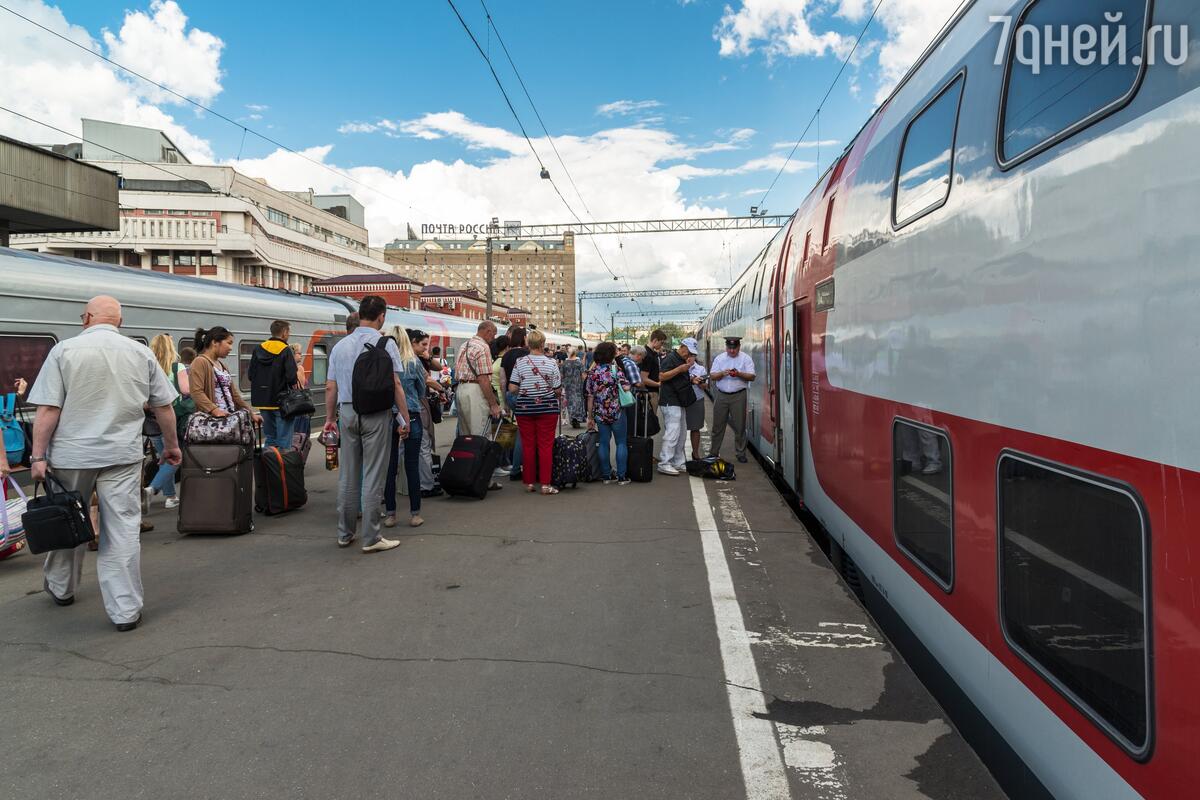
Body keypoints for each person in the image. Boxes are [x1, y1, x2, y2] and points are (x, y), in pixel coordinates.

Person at [27, 295, 181, 631]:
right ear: (119, 322)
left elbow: (48, 409)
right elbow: (163, 407)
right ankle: (124, 611)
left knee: (67, 518)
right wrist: (172, 446)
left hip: (72, 454)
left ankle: (61, 587)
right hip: (121, 454)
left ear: (86, 318)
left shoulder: (64, 351)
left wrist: (38, 456)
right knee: (122, 529)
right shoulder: (140, 353)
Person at [323, 295, 410, 553]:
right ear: (382, 316)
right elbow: (395, 385)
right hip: (377, 414)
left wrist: (329, 419)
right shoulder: (386, 344)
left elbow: (330, 387)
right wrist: (404, 418)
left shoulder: (340, 347)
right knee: (373, 475)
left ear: (360, 314)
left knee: (348, 476)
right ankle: (371, 538)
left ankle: (344, 533)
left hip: (347, 412)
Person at [507, 329, 563, 495]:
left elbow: (512, 387)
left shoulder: (520, 362)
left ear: (528, 343)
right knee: (546, 446)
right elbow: (558, 389)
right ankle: (545, 485)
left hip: (525, 409)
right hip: (547, 409)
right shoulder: (552, 363)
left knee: (528, 445)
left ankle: (529, 483)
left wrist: (526, 389)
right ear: (543, 344)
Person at [383, 327, 427, 529]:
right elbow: (422, 389)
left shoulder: (384, 362)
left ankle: (391, 514)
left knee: (390, 468)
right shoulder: (414, 363)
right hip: (412, 415)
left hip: (389, 417)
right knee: (412, 467)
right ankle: (415, 514)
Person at [143, 334, 188, 510]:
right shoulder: (177, 366)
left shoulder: (149, 366)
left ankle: (171, 497)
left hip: (153, 423)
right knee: (175, 458)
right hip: (172, 419)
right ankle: (152, 489)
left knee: (164, 459)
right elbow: (185, 389)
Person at [188, 327, 261, 426]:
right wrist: (215, 410)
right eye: (229, 343)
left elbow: (234, 395)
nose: (230, 348)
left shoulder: (222, 365)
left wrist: (250, 413)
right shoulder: (200, 362)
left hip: (227, 419)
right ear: (215, 342)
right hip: (212, 422)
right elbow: (196, 392)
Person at [585, 342, 632, 485]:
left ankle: (606, 475)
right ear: (610, 355)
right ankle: (622, 477)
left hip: (600, 414)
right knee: (621, 443)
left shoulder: (593, 373)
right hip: (617, 412)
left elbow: (590, 396)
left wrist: (590, 417)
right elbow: (626, 387)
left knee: (604, 443)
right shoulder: (615, 369)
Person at [248, 320, 299, 450]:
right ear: (284, 333)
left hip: (263, 401)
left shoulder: (258, 349)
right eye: (289, 332)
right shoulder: (286, 350)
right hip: (282, 402)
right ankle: (282, 468)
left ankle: (269, 467)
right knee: (284, 439)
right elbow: (291, 377)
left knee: (270, 438)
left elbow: (250, 375)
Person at [708, 336, 756, 464]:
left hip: (739, 396)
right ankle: (713, 452)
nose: (732, 351)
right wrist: (723, 373)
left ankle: (740, 453)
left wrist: (738, 374)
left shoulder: (745, 358)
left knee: (739, 426)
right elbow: (712, 375)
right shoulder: (720, 358)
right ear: (726, 347)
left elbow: (752, 376)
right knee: (717, 426)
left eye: (734, 348)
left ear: (739, 347)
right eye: (729, 348)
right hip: (721, 395)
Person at [656, 337, 699, 476]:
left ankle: (678, 461)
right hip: (670, 400)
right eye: (689, 352)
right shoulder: (670, 359)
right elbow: (662, 376)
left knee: (681, 433)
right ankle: (664, 462)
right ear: (683, 347)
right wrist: (680, 369)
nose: (690, 355)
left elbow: (679, 378)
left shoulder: (680, 359)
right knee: (673, 432)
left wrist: (691, 379)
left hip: (678, 400)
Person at [453, 320, 501, 437]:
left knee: (465, 434)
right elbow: (483, 379)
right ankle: (479, 455)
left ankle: (466, 454)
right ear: (488, 331)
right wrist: (493, 404)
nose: (493, 338)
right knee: (480, 432)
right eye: (494, 334)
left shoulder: (465, 345)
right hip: (475, 390)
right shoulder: (483, 347)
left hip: (461, 389)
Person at [412, 330, 445, 498]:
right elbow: (427, 379)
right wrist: (442, 389)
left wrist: (427, 356)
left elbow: (439, 367)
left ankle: (408, 484)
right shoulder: (412, 361)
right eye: (423, 345)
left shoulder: (418, 359)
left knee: (407, 448)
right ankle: (426, 485)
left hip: (408, 407)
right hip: (418, 405)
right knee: (423, 445)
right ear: (413, 342)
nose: (426, 348)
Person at [500, 326, 530, 482]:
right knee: (524, 433)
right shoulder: (527, 354)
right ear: (524, 338)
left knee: (521, 429)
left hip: (511, 396)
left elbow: (503, 380)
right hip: (525, 396)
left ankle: (516, 466)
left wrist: (505, 402)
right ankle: (518, 469)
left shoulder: (506, 356)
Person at [619, 345, 645, 440]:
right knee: (631, 425)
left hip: (621, 398)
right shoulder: (631, 364)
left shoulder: (622, 361)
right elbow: (637, 383)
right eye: (642, 357)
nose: (642, 360)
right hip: (629, 398)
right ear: (639, 355)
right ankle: (630, 448)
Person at [687, 354, 709, 460]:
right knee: (679, 430)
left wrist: (700, 382)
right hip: (682, 401)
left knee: (695, 428)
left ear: (695, 357)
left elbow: (705, 386)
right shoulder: (680, 367)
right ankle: (678, 455)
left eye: (691, 356)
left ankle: (695, 453)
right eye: (687, 356)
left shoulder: (701, 369)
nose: (689, 358)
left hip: (697, 400)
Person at [639, 329, 667, 412]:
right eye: (661, 343)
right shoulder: (648, 355)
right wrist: (658, 384)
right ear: (655, 341)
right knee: (651, 419)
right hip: (650, 393)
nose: (662, 346)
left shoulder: (650, 353)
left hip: (651, 392)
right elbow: (643, 378)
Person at [561, 347, 586, 428]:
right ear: (575, 353)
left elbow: (561, 375)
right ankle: (577, 417)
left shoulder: (564, 363)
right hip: (577, 385)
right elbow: (583, 375)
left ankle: (572, 418)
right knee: (578, 401)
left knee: (570, 402)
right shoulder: (579, 363)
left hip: (568, 386)